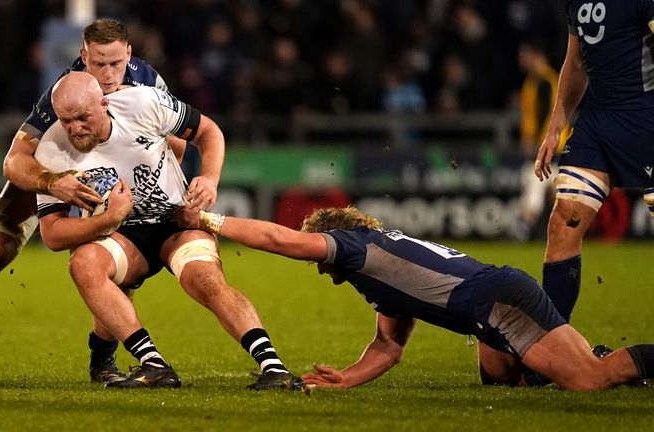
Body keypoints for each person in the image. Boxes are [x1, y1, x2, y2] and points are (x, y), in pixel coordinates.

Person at [0, 19, 177, 385]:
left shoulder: (149, 82)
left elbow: (177, 140)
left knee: (115, 267)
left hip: (119, 172)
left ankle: (102, 362)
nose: (106, 74)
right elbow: (14, 161)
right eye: (97, 63)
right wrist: (54, 183)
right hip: (59, 169)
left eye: (114, 64)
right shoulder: (64, 90)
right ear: (82, 55)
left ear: (129, 54)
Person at [174, 205, 654, 391]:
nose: (321, 269)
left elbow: (280, 241)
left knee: (588, 381)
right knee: (504, 384)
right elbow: (389, 347)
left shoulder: (356, 247)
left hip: (498, 302)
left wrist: (206, 221)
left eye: (320, 258)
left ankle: (606, 361)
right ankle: (582, 353)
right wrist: (346, 379)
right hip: (489, 307)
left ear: (332, 241)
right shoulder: (376, 273)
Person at [33, 71, 305, 391]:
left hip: (178, 222)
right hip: (121, 235)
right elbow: (52, 235)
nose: (73, 128)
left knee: (204, 279)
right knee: (83, 265)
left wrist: (209, 178)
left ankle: (274, 368)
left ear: (103, 103)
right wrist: (106, 221)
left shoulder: (143, 103)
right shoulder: (51, 151)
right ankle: (154, 365)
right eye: (65, 121)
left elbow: (208, 132)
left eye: (82, 117)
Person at [534, 1, 654, 323]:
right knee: (563, 222)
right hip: (597, 123)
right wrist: (554, 129)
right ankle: (552, 347)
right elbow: (575, 64)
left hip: (646, 120)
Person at [515, 42, 563, 241]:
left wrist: (538, 143)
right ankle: (559, 232)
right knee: (554, 192)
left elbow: (548, 116)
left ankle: (524, 227)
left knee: (534, 184)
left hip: (549, 148)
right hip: (549, 148)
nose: (521, 59)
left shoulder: (546, 81)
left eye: (524, 54)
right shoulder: (534, 81)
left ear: (536, 54)